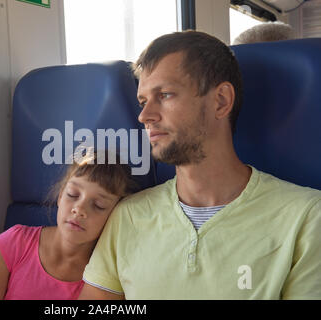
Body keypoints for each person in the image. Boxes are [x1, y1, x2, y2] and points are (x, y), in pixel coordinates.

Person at [79, 31, 321, 300]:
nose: (145, 116)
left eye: (166, 95)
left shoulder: (306, 217)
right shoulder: (127, 217)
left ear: (221, 101)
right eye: (143, 101)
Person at [0, 149, 135, 299]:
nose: (79, 209)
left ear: (114, 216)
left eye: (98, 205)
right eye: (73, 194)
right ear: (60, 196)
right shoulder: (16, 242)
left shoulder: (106, 278)